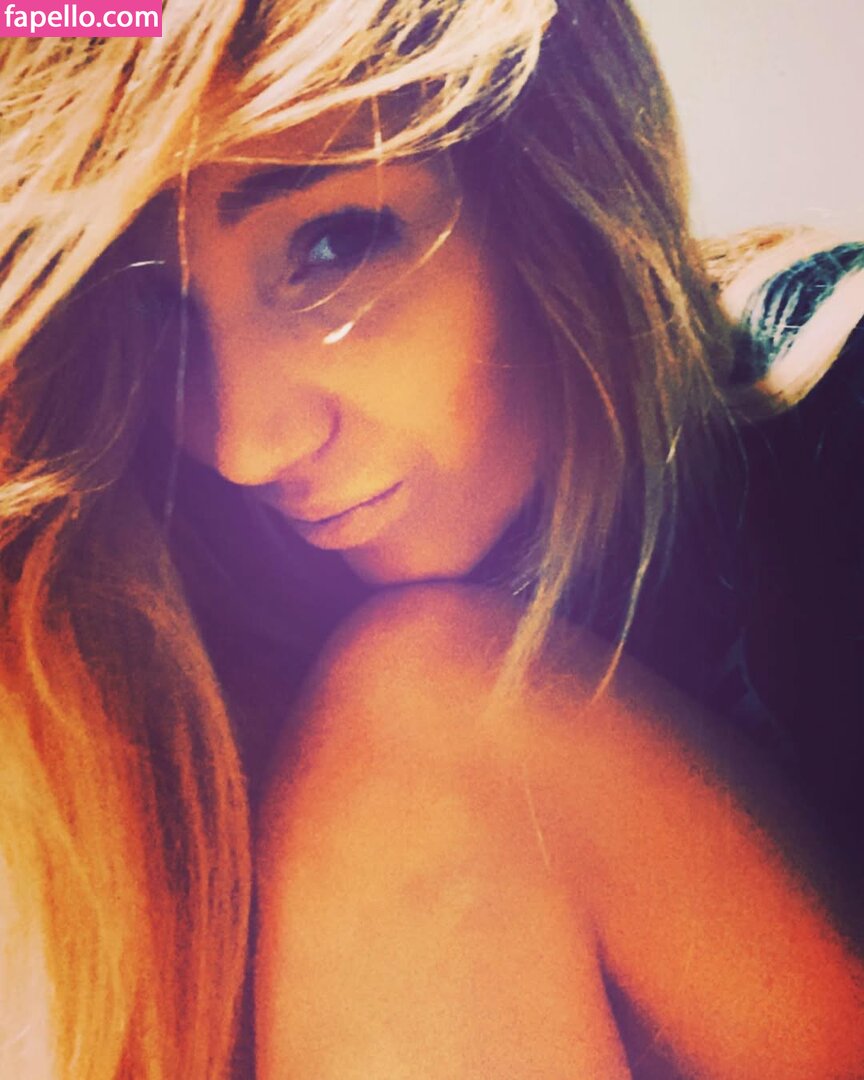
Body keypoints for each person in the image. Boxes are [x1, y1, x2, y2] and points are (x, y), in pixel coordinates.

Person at [1, 1, 862, 1077]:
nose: (243, 443)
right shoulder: (165, 594)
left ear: (548, 171)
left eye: (331, 246)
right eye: (157, 313)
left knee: (424, 728)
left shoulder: (834, 422)